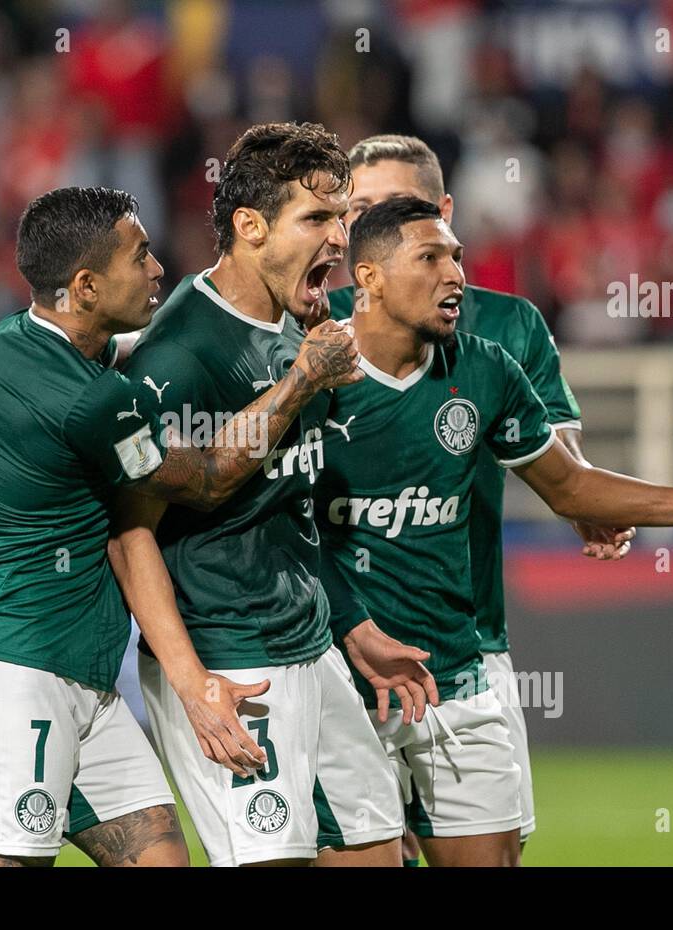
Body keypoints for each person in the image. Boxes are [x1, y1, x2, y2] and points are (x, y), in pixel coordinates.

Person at [317, 196, 673, 865]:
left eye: (456, 256)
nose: (454, 274)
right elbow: (276, 528)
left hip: (454, 676)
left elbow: (571, 486)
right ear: (368, 277)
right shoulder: (309, 374)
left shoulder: (484, 369)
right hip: (343, 686)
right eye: (430, 257)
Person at [0, 186, 365, 866]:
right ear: (86, 286)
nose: (158, 269)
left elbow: (136, 351)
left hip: (79, 668)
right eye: (140, 257)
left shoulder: (23, 340)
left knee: (159, 857)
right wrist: (301, 377)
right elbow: (208, 477)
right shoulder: (86, 399)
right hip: (7, 667)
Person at [112, 123, 437, 867]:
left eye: (344, 218)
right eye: (318, 219)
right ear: (250, 226)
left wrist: (351, 630)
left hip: (311, 647)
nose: (340, 238)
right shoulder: (178, 357)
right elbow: (129, 538)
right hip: (231, 655)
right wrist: (192, 687)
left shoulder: (301, 330)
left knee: (376, 854)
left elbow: (287, 508)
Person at [334, 133, 634, 855]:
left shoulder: (508, 325)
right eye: (360, 209)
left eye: (398, 206)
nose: (371, 220)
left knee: (492, 848)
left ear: (443, 211)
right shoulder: (317, 332)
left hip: (470, 636)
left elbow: (563, 458)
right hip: (342, 647)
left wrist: (589, 507)